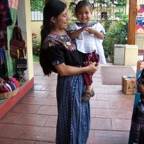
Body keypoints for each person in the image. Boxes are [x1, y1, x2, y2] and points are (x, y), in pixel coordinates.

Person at [39, 0, 98, 144]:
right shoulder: (52, 42)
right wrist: (86, 69)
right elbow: (63, 70)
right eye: (64, 16)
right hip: (70, 85)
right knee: (71, 121)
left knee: (81, 117)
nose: (68, 18)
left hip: (80, 81)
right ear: (53, 19)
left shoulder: (66, 33)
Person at [68, 0, 106, 102]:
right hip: (80, 53)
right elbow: (71, 36)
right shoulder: (75, 26)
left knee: (89, 70)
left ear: (91, 13)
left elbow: (102, 36)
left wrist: (94, 32)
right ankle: (90, 88)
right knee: (84, 70)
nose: (83, 15)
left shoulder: (96, 25)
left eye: (86, 12)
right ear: (76, 15)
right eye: (80, 13)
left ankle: (89, 89)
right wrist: (80, 30)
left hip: (93, 52)